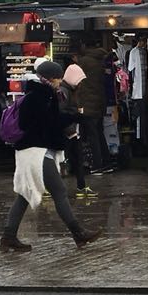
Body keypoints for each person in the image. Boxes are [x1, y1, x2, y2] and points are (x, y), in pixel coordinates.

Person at [0, 60, 101, 252]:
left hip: (34, 151)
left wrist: (73, 118)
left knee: (24, 194)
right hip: (35, 152)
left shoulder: (44, 96)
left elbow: (50, 120)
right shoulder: (38, 98)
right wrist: (73, 118)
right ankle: (78, 233)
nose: (60, 81)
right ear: (50, 79)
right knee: (59, 191)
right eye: (58, 78)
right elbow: (44, 123)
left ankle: (8, 237)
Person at [72, 46, 110, 177]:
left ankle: (97, 166)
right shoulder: (99, 61)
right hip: (98, 103)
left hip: (88, 104)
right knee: (99, 133)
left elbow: (74, 81)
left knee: (92, 135)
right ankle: (106, 163)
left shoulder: (84, 62)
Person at [60, 63, 94, 198]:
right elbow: (63, 113)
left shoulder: (68, 91)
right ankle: (80, 186)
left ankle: (81, 186)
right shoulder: (65, 92)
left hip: (71, 131)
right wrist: (71, 129)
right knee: (72, 159)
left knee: (75, 159)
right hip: (68, 132)